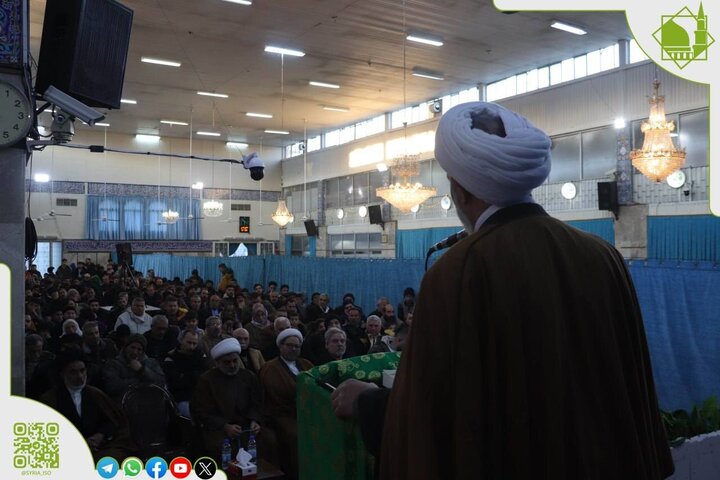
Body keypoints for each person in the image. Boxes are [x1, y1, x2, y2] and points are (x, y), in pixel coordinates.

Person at [331, 102, 673, 480]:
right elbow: (631, 397)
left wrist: (369, 402)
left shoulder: (458, 272)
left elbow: (432, 424)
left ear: (459, 190)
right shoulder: (604, 257)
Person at [259, 328, 313, 480]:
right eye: (290, 345)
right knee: (296, 436)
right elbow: (277, 395)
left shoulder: (306, 364)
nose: (293, 349)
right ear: (281, 346)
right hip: (282, 414)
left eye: (297, 346)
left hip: (307, 411)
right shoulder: (270, 368)